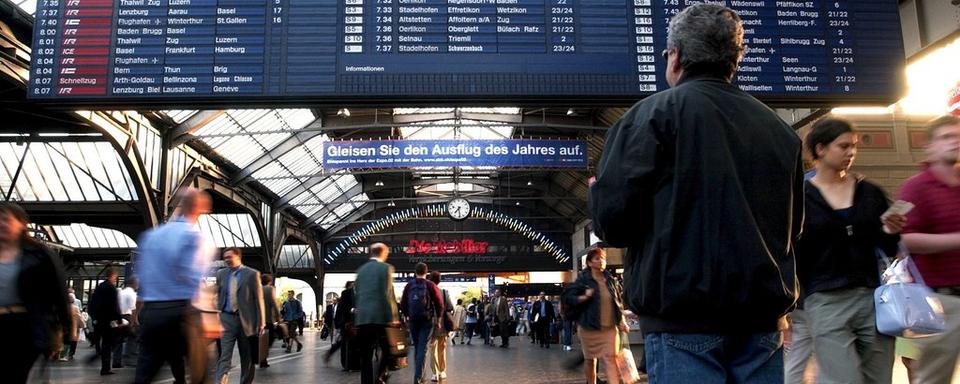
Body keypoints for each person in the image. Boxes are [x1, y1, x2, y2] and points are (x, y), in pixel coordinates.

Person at [588, 4, 802, 382]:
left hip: (681, 320)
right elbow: (794, 227)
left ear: (677, 57)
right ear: (734, 61)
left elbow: (613, 225)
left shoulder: (650, 117)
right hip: (760, 323)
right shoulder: (778, 130)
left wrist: (598, 195)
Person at [795, 118, 901, 383]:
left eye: (853, 146)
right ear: (820, 149)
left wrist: (891, 230)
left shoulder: (870, 192)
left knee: (879, 378)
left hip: (873, 299)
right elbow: (791, 251)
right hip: (825, 301)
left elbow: (888, 248)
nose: (851, 152)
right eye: (843, 146)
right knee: (841, 378)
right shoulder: (800, 197)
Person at [133, 188, 216, 384]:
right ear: (198, 208)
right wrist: (209, 319)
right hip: (182, 313)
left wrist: (140, 313)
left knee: (144, 375)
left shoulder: (151, 236)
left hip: (152, 314)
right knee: (201, 372)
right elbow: (193, 278)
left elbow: (142, 280)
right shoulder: (194, 237)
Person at [900, 115, 960, 383]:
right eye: (947, 137)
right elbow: (906, 239)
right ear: (930, 147)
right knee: (934, 378)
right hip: (939, 303)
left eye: (958, 136)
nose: (955, 141)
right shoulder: (915, 188)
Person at [0, 202, 69, 383]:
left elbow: (58, 293)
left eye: (6, 219)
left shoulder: (39, 254)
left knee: (14, 376)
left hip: (23, 327)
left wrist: (63, 330)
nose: (1, 224)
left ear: (22, 223)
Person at [563, 248, 629, 384]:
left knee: (612, 359)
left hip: (610, 329)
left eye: (603, 258)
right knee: (590, 360)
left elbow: (618, 302)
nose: (601, 261)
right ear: (589, 263)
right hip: (589, 327)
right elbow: (568, 297)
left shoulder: (611, 280)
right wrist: (583, 297)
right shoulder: (583, 280)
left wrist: (622, 321)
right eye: (597, 258)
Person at [214, 247, 265, 384]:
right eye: (225, 257)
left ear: (238, 256)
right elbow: (219, 294)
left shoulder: (252, 274)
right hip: (227, 319)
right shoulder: (221, 274)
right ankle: (220, 381)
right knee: (224, 355)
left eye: (229, 257)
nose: (226, 260)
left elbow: (258, 299)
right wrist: (218, 313)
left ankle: (245, 382)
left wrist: (261, 322)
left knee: (246, 356)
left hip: (247, 322)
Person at [354, 243, 399, 384]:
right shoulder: (386, 268)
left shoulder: (361, 270)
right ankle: (380, 376)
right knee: (388, 349)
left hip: (362, 318)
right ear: (383, 253)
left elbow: (356, 294)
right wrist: (392, 316)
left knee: (366, 355)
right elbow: (387, 294)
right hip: (380, 317)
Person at [400, 263, 444, 384]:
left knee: (417, 347)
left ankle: (420, 375)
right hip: (427, 320)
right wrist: (439, 319)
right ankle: (418, 378)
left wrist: (407, 316)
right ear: (426, 272)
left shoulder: (409, 285)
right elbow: (439, 304)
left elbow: (403, 304)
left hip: (413, 320)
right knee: (423, 348)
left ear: (415, 271)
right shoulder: (430, 285)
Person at [90, 268, 122, 375]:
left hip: (100, 320)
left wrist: (94, 317)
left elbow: (92, 303)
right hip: (109, 320)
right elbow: (114, 305)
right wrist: (119, 318)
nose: (116, 278)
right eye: (115, 276)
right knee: (110, 342)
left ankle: (102, 363)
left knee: (105, 343)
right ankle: (105, 367)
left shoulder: (99, 287)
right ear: (112, 275)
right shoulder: (111, 288)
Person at [427, 271, 454, 382]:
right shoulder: (444, 292)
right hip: (442, 324)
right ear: (439, 280)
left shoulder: (426, 292)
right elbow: (450, 307)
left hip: (430, 324)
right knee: (442, 348)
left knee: (432, 348)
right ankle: (442, 371)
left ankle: (435, 372)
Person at [326, 281, 357, 370]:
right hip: (346, 324)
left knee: (342, 342)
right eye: (352, 286)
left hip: (350, 324)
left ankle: (348, 363)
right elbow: (344, 310)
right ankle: (346, 364)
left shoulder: (353, 295)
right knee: (343, 343)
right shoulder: (346, 294)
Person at [114, 277, 138, 368]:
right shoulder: (132, 294)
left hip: (118, 317)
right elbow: (133, 309)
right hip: (127, 317)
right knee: (134, 337)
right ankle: (131, 359)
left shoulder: (120, 292)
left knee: (118, 340)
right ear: (133, 284)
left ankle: (116, 361)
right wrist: (133, 322)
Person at [259, 273, 282, 368]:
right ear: (270, 281)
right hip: (268, 319)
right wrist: (278, 317)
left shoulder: (258, 289)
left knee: (260, 340)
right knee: (270, 339)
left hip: (258, 320)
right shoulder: (270, 289)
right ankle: (263, 358)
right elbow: (274, 304)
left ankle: (261, 359)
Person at [61, 291, 85, 361]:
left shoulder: (63, 308)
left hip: (65, 327)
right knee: (73, 341)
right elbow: (79, 317)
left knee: (65, 340)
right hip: (74, 327)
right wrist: (83, 325)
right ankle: (70, 354)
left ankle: (63, 354)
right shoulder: (75, 308)